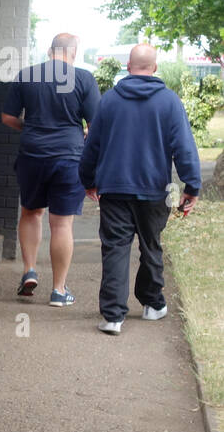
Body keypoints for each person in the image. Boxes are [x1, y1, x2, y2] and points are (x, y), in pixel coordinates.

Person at [78, 43, 201, 335]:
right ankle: (152, 304)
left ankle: (112, 316)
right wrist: (191, 186)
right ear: (154, 68)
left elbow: (91, 146)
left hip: (114, 189)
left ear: (129, 67)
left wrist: (88, 180)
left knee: (116, 249)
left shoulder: (108, 101)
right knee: (151, 244)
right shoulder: (170, 102)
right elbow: (184, 148)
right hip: (154, 188)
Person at [1, 32, 99, 306]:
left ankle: (29, 270)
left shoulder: (27, 75)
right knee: (62, 223)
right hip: (69, 158)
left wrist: (29, 128)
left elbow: (8, 118)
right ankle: (58, 290)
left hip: (32, 155)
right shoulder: (83, 78)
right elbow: (96, 125)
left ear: (49, 51)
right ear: (73, 53)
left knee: (31, 213)